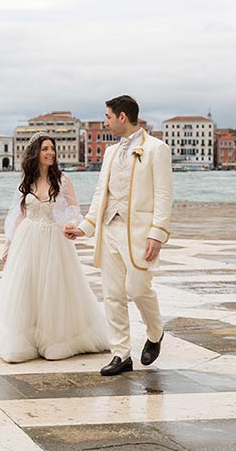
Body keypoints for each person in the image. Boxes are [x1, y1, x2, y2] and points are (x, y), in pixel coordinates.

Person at [64, 95, 173, 376]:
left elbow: (163, 195)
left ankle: (155, 331)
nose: (106, 121)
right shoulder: (111, 152)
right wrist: (85, 227)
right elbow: (102, 194)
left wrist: (157, 234)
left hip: (138, 233)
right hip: (109, 230)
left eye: (108, 116)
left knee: (138, 289)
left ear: (122, 117)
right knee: (112, 295)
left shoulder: (156, 149)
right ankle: (121, 354)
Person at [0, 134, 108, 362]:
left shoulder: (63, 180)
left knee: (54, 288)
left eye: (52, 148)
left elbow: (74, 208)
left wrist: (73, 223)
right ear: (36, 153)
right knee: (26, 288)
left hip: (54, 240)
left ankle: (56, 339)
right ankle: (24, 338)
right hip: (28, 240)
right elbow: (18, 215)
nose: (50, 152)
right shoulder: (27, 181)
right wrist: (8, 245)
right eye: (45, 149)